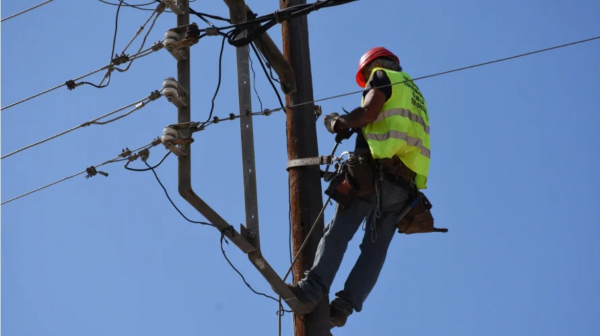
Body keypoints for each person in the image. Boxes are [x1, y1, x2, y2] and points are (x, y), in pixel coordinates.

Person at [287, 47, 431, 328]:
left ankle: (310, 292)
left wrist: (339, 122)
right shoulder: (415, 93)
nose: (366, 82)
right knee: (375, 250)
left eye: (365, 76)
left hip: (374, 173)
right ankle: (342, 309)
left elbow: (367, 112)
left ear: (374, 65)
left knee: (338, 232)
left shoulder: (381, 75)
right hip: (403, 186)